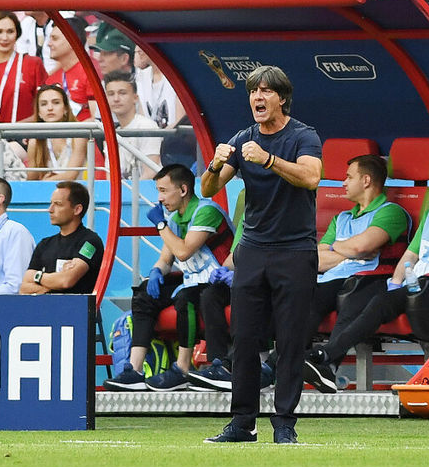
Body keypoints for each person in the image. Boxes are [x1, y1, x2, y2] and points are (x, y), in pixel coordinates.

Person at [202, 65, 322, 445]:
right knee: (245, 338)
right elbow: (208, 189)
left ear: (282, 99)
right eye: (254, 91)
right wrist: (216, 162)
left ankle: (284, 423)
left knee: (289, 341)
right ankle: (242, 423)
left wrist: (268, 160)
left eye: (267, 91)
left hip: (295, 250)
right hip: (252, 250)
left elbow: (311, 177)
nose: (258, 97)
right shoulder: (243, 139)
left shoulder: (304, 135)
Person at [304, 162, 429, 392]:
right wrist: (395, 283)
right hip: (416, 284)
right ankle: (320, 359)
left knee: (379, 302)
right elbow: (411, 255)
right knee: (373, 297)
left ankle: (326, 355)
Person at [104, 163, 235, 390]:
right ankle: (134, 369)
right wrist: (156, 272)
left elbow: (183, 251)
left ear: (183, 190)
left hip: (222, 281)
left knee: (186, 297)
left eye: (163, 191)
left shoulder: (206, 211)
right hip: (194, 280)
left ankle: (183, 368)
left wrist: (161, 224)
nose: (160, 198)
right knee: (144, 292)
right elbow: (167, 259)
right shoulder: (175, 218)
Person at [301, 154, 409, 384]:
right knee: (302, 301)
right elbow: (316, 258)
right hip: (330, 279)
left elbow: (362, 246)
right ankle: (279, 366)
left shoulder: (391, 212)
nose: (343, 182)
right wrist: (348, 250)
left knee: (352, 294)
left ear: (366, 180)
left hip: (369, 280)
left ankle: (327, 364)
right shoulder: (342, 218)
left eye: (349, 177)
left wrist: (337, 247)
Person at [20, 181, 104, 294]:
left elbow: (66, 281)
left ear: (77, 209)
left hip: (78, 310)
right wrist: (53, 287)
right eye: (51, 203)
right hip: (46, 310)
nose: (50, 209)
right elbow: (24, 288)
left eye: (58, 204)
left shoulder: (90, 242)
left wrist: (38, 277)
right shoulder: (45, 244)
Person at [102, 69, 161, 179]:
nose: (116, 99)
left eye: (122, 93)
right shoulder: (110, 133)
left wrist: (130, 194)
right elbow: (110, 176)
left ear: (135, 98)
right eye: (111, 94)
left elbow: (151, 172)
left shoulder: (147, 127)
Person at [26, 84, 88, 181]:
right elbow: (31, 178)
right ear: (39, 113)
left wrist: (47, 180)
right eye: (44, 104)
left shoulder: (78, 137)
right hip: (45, 192)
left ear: (66, 109)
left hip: (75, 192)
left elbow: (71, 176)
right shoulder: (35, 142)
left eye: (56, 102)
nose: (50, 108)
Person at [46, 18, 95, 120]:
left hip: (84, 135)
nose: (49, 44)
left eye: (55, 39)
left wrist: (74, 135)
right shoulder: (51, 80)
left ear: (72, 41)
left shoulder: (91, 72)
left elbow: (97, 118)